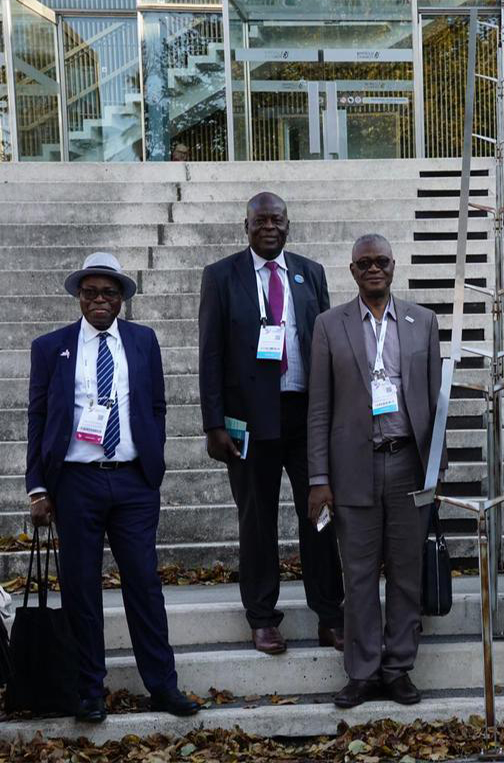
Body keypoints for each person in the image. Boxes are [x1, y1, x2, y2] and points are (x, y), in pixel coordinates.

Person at [26, 252, 199, 723]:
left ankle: (163, 686)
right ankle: (89, 691)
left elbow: (157, 405)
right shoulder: (51, 347)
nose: (99, 300)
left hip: (133, 482)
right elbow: (37, 416)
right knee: (81, 589)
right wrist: (37, 487)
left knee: (143, 583)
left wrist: (152, 453)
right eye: (90, 292)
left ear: (122, 298)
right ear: (79, 297)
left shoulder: (143, 341)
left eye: (108, 293)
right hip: (75, 483)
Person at [197, 191, 344, 655]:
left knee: (320, 517)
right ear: (246, 226)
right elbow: (210, 353)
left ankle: (330, 615)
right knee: (257, 522)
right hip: (248, 420)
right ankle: (262, 618)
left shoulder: (309, 273)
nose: (269, 227)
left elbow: (326, 345)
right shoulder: (221, 276)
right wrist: (213, 423)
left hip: (306, 416)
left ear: (288, 225)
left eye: (276, 220)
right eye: (260, 220)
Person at [307, 234, 444, 708]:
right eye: (363, 263)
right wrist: (318, 478)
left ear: (393, 266)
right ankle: (362, 672)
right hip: (353, 467)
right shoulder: (329, 325)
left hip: (408, 464)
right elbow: (319, 409)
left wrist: (435, 469)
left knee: (406, 571)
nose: (373, 269)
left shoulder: (423, 321)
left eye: (380, 261)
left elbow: (435, 401)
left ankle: (398, 667)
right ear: (352, 271)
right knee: (360, 574)